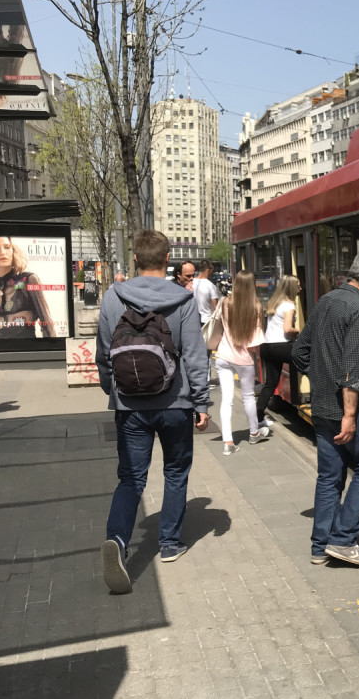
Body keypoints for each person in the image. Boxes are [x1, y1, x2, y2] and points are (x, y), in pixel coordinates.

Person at [94, 230, 210, 593]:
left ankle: (117, 539)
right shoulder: (183, 300)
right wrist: (202, 402)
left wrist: (112, 389)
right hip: (175, 404)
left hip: (130, 405)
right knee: (175, 471)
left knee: (131, 478)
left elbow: (102, 352)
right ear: (167, 258)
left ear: (136, 260)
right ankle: (170, 543)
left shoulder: (113, 297)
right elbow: (194, 354)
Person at [292, 251, 359, 567]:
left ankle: (319, 547)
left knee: (329, 476)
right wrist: (349, 415)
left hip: (321, 406)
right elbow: (351, 370)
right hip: (354, 409)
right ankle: (344, 539)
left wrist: (320, 380)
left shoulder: (325, 301)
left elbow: (298, 353)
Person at [215, 270, 270, 456]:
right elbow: (255, 344)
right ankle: (254, 433)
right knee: (247, 397)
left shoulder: (225, 303)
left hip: (222, 356)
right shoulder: (256, 306)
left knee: (226, 400)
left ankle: (228, 442)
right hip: (244, 359)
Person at [256, 274, 301, 427]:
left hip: (267, 346)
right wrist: (300, 332)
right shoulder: (289, 305)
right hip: (281, 346)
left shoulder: (275, 302)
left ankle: (258, 416)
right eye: (298, 285)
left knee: (270, 383)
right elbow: (288, 329)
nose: (301, 288)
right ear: (292, 288)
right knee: (312, 364)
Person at [0, 235, 57, 338]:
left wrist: (51, 350)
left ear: (13, 250)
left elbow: (47, 324)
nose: (3, 252)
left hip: (24, 351)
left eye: (7, 247)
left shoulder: (29, 280)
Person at [191, 259, 219, 326]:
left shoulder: (191, 283)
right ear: (209, 269)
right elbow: (216, 307)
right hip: (206, 320)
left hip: (192, 319)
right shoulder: (210, 286)